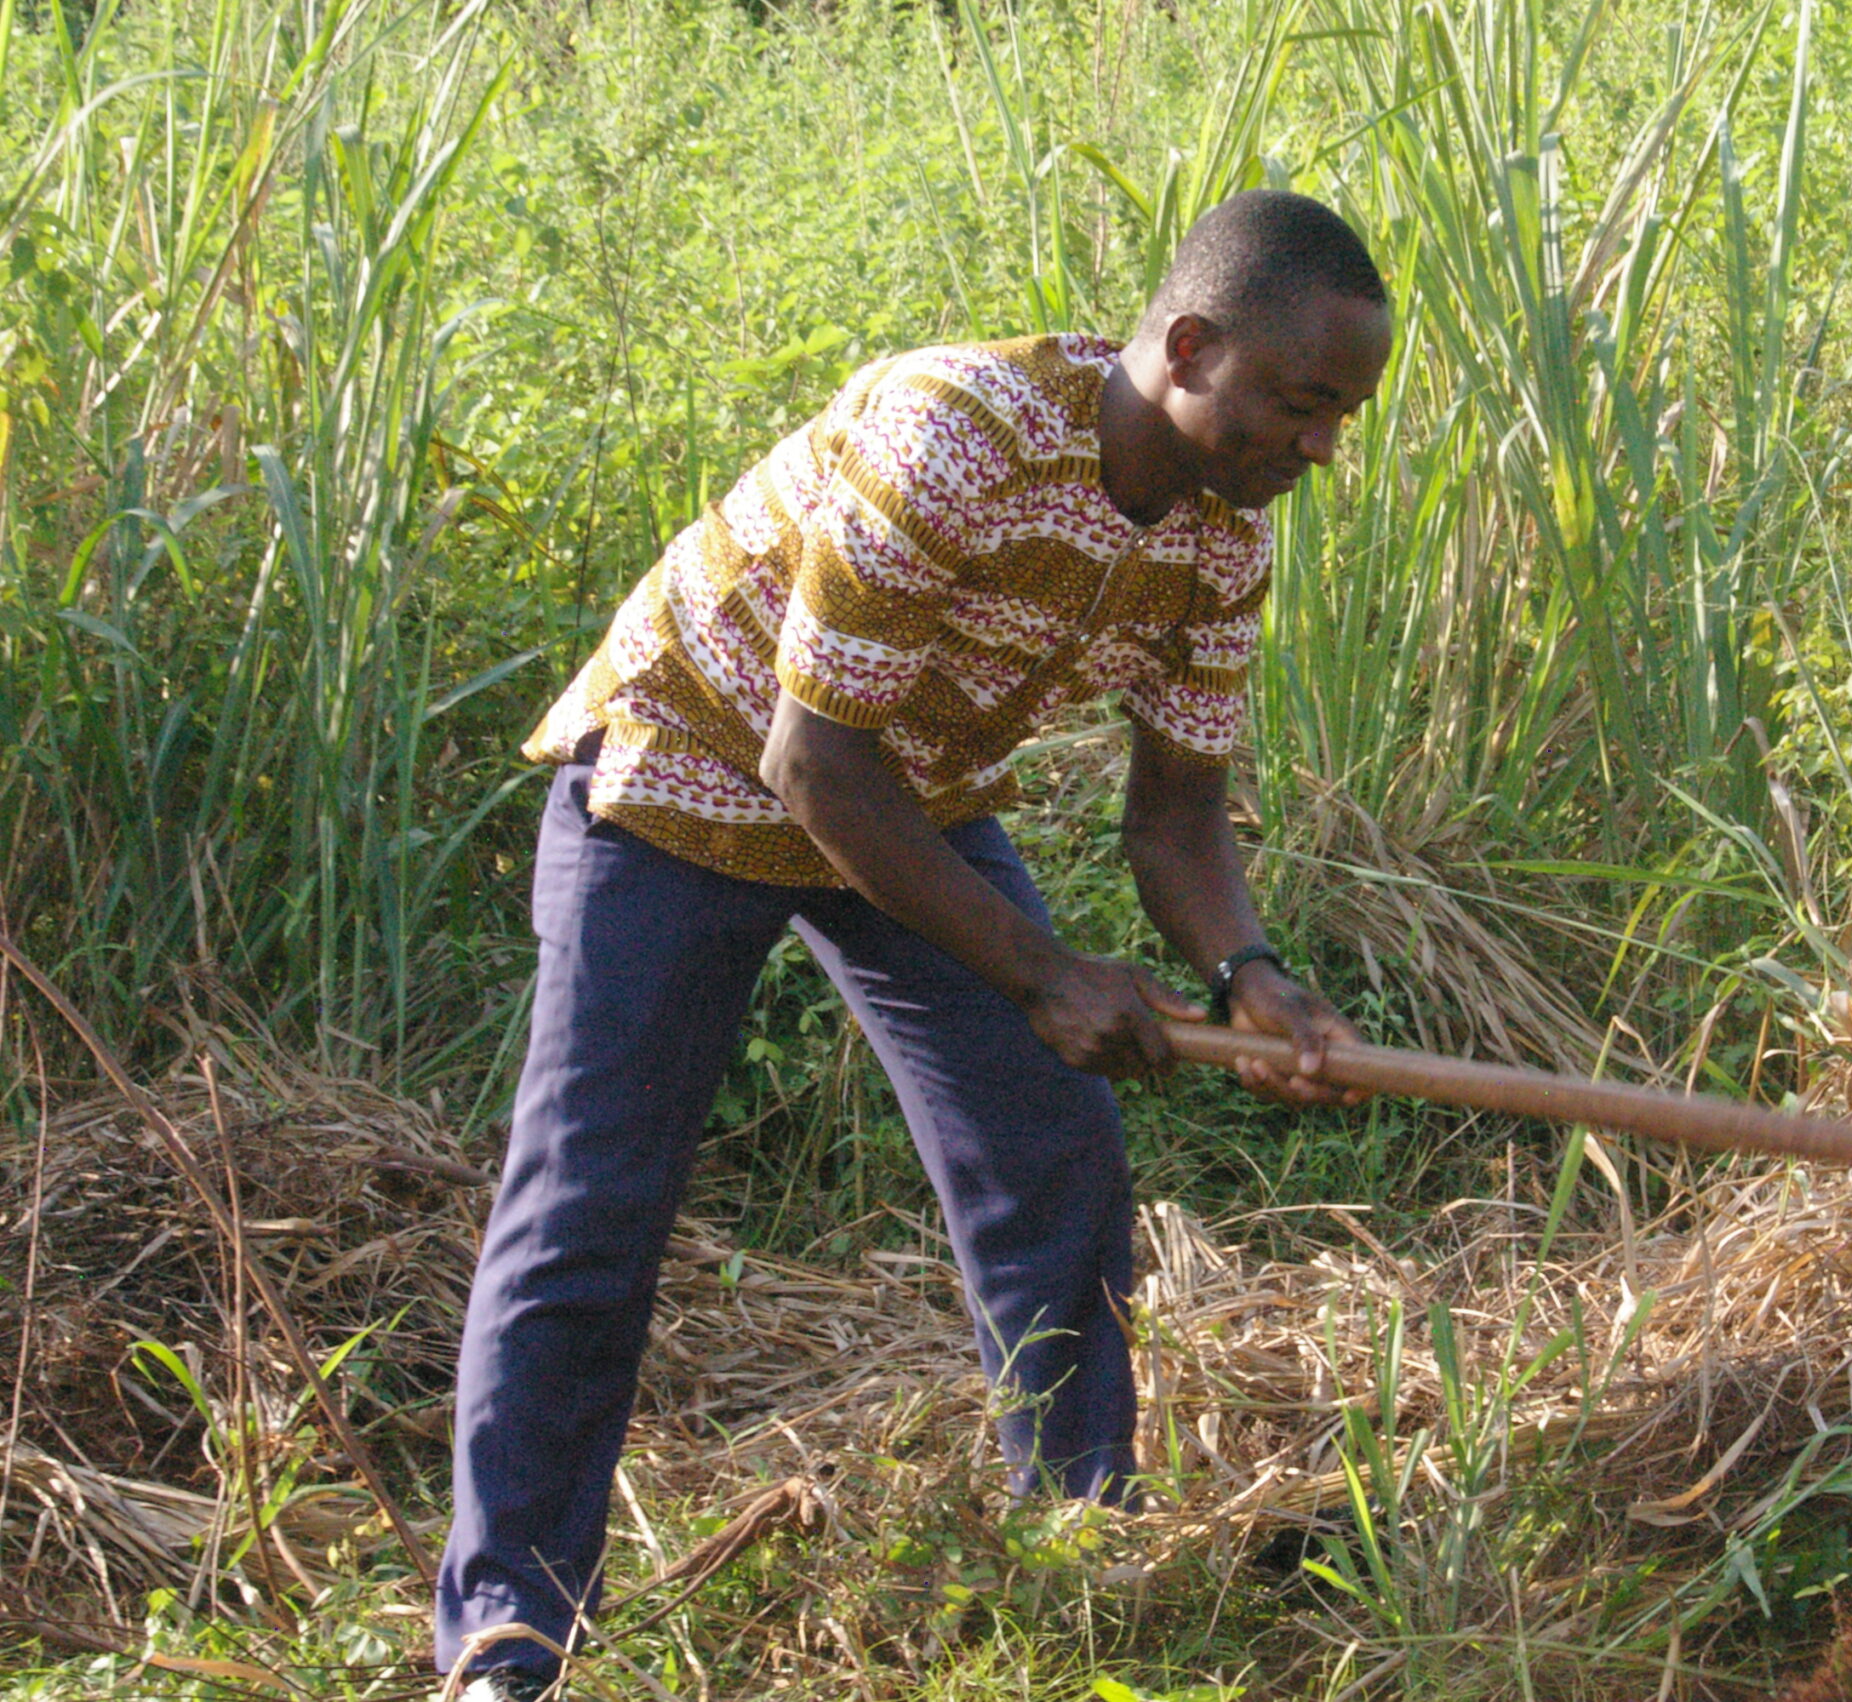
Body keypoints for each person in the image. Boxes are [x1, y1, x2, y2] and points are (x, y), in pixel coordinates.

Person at [435, 190, 1394, 1700]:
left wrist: (1249, 975)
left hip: (909, 796)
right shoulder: (958, 431)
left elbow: (1178, 821)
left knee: (1050, 1143)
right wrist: (1043, 971)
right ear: (1193, 347)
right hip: (688, 776)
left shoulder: (1218, 543)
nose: (1323, 448)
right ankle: (506, 1636)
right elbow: (810, 766)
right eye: (1302, 402)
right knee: (593, 1208)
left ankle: (1080, 1545)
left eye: (1344, 417)